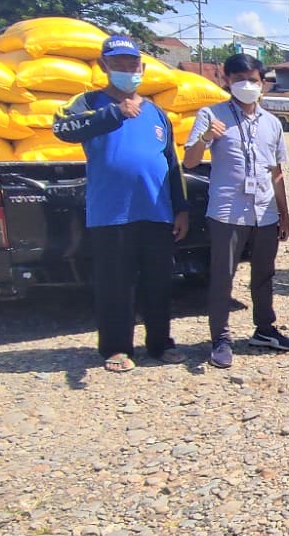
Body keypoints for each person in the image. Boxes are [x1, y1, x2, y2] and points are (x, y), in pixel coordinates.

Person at [53, 35, 188, 372]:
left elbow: (171, 163)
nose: (128, 69)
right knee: (116, 282)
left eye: (133, 63)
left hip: (156, 211)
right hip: (112, 212)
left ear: (142, 67)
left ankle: (160, 344)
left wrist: (181, 207)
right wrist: (114, 114)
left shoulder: (156, 112)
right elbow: (62, 129)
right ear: (104, 66)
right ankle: (116, 347)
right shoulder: (89, 103)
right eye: (120, 63)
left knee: (158, 281)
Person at [184, 53, 289, 369]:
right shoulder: (211, 115)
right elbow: (190, 161)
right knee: (222, 276)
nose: (247, 85)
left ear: (263, 83)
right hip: (227, 212)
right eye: (239, 80)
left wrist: (284, 213)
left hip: (265, 212)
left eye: (253, 80)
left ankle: (264, 329)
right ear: (227, 81)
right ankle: (220, 338)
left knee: (264, 274)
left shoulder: (272, 123)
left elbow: (276, 171)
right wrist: (206, 138)